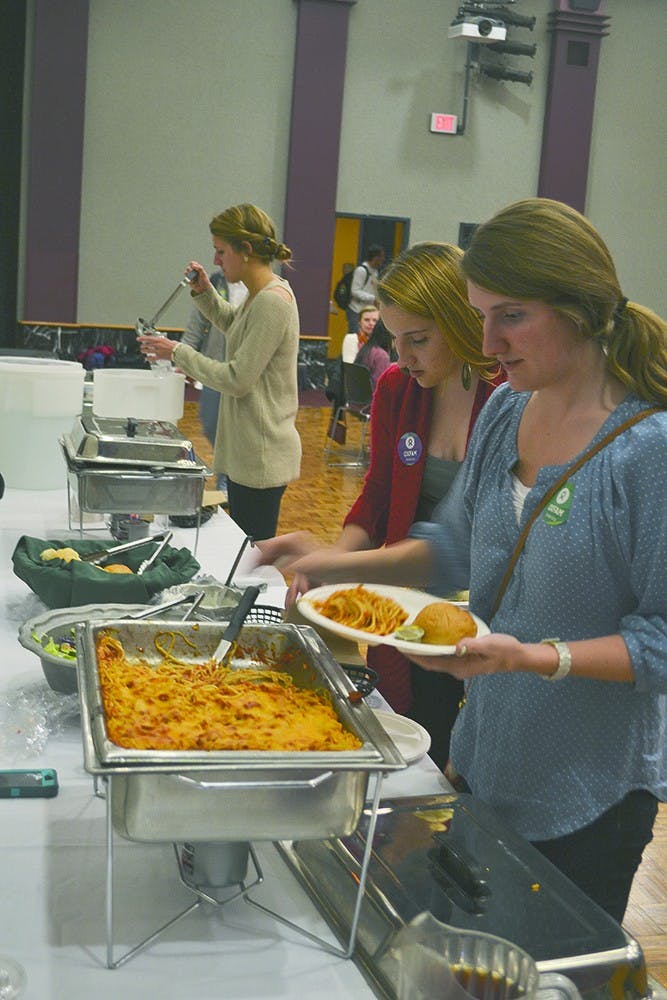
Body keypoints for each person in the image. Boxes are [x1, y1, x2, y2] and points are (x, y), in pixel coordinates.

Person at [259, 198, 667, 923]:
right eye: (478, 316)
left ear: (578, 305)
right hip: (484, 759)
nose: (486, 340)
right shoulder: (509, 409)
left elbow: (659, 641)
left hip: (588, 793)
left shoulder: (647, 448)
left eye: (509, 315)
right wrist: (333, 567)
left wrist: (533, 658)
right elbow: (452, 546)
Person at [258, 241, 503, 769]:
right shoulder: (398, 387)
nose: (402, 357)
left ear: (464, 324)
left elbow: (463, 543)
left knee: (479, 752)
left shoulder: (507, 397)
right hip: (408, 604)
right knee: (420, 738)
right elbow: (377, 497)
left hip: (487, 611)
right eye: (394, 340)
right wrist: (334, 566)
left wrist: (337, 565)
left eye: (418, 340)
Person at [138, 202, 301, 541]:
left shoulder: (272, 300)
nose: (215, 260)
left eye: (220, 251)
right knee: (244, 549)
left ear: (246, 250)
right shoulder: (259, 296)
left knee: (252, 552)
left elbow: (238, 379)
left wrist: (178, 352)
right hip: (250, 452)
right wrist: (204, 292)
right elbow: (234, 324)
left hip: (262, 456)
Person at [179, 269, 247, 494]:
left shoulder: (259, 290)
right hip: (213, 367)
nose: (218, 260)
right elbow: (197, 322)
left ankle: (228, 478)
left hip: (243, 371)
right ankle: (226, 469)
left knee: (237, 429)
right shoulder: (216, 282)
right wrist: (183, 354)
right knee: (210, 421)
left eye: (223, 251)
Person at [346, 244, 385, 333]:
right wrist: (373, 298)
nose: (383, 259)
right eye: (381, 256)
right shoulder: (361, 270)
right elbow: (355, 291)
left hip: (369, 310)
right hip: (356, 310)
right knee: (356, 336)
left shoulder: (375, 271)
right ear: (375, 257)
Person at [354, 315, 393, 389]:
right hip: (374, 398)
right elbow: (381, 386)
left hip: (357, 397)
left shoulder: (366, 349)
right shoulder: (382, 356)